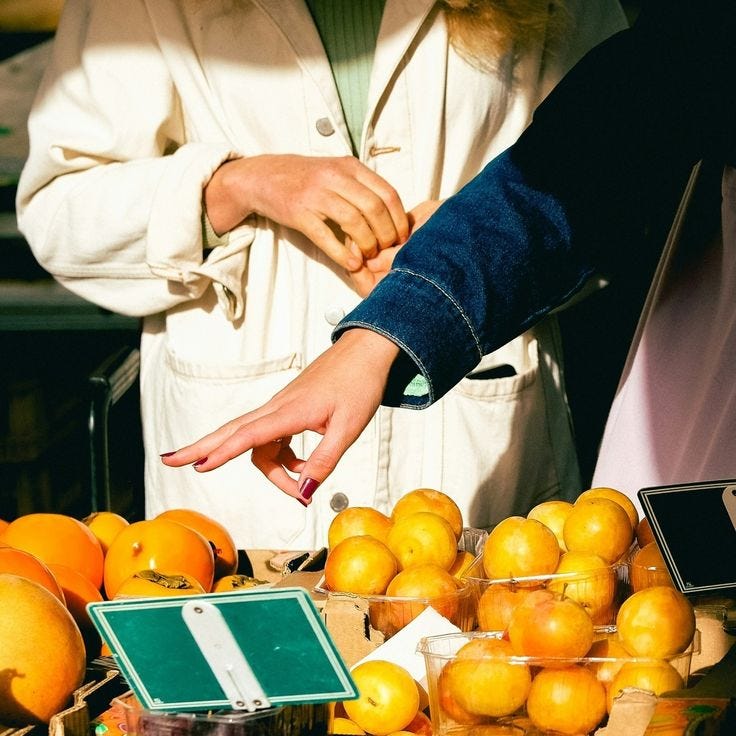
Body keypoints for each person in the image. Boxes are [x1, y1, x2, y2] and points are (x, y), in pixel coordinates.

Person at [16, 0, 627, 548]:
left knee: (482, 648)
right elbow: (57, 215)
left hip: (477, 452)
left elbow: (629, 180)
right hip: (239, 490)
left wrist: (477, 242)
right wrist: (233, 185)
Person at [160, 0, 736, 513]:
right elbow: (587, 158)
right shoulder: (701, 37)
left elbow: (616, 197)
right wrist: (384, 329)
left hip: (487, 433)